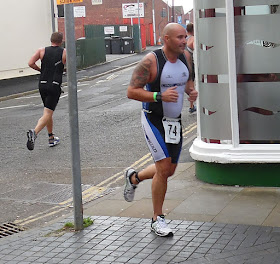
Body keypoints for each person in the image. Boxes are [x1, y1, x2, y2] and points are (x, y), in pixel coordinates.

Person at [124, 23, 198, 237]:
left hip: (174, 121)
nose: (184, 41)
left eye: (185, 36)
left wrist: (191, 92)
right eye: (179, 38)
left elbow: (187, 80)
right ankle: (158, 219)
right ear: (166, 39)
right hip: (153, 119)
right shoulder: (151, 62)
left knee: (169, 171)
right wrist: (159, 96)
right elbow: (131, 91)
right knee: (164, 167)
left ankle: (134, 178)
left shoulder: (186, 57)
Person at [26, 32, 66, 151]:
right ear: (61, 41)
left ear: (51, 40)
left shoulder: (42, 50)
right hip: (54, 85)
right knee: (48, 113)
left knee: (47, 112)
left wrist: (40, 70)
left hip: (42, 84)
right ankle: (35, 132)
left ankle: (51, 137)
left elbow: (30, 63)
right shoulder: (64, 52)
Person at [186, 22, 196, 114]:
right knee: (191, 85)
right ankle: (191, 107)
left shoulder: (183, 39)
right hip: (190, 65)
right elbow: (197, 50)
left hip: (181, 63)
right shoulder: (192, 39)